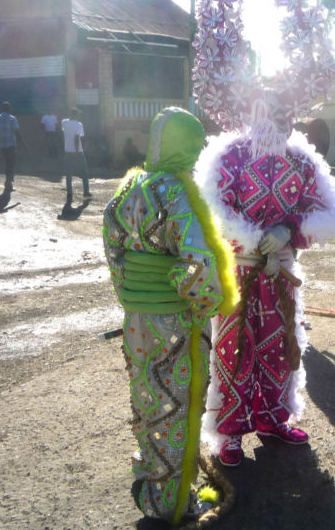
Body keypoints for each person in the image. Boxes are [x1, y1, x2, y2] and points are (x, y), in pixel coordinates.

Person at [192, 0, 335, 468]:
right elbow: (212, 205)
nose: (272, 120)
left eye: (281, 111)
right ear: (246, 107)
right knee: (233, 350)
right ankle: (230, 432)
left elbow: (333, 213)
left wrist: (291, 233)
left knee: (282, 350)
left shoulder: (303, 161)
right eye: (263, 109)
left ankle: (275, 420)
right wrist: (248, 238)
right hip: (239, 273)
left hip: (281, 272)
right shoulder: (228, 155)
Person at [102, 107, 239, 524]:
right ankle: (174, 503)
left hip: (136, 320)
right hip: (175, 323)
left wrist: (131, 293)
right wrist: (205, 306)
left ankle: (152, 485)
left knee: (147, 401)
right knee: (179, 405)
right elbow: (197, 265)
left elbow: (114, 252)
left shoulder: (128, 189)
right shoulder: (179, 193)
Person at [0, 101, 24, 192]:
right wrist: (23, 143)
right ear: (9, 109)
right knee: (10, 164)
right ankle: (8, 182)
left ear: (2, 109)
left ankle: (9, 180)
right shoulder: (12, 118)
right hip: (11, 145)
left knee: (7, 163)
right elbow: (17, 132)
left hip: (1, 145)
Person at [60, 108, 91, 199]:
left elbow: (64, 127)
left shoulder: (64, 122)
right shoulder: (79, 124)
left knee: (68, 173)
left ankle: (69, 192)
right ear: (76, 115)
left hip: (68, 151)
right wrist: (77, 152)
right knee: (84, 172)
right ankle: (86, 192)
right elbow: (77, 138)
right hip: (78, 151)